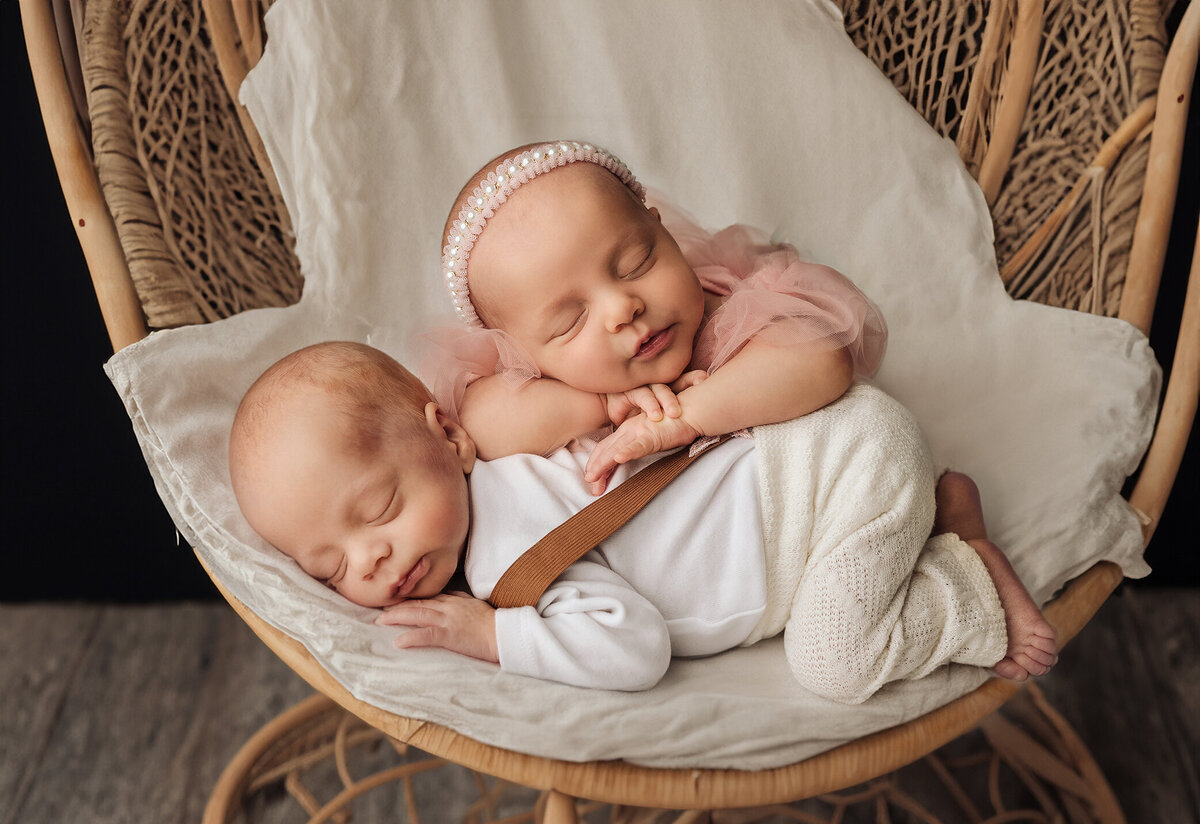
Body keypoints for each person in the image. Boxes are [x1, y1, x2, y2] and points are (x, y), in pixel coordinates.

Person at [228, 341, 1058, 703]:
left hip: (833, 474)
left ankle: (967, 574)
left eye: (377, 511)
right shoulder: (518, 470)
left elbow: (636, 648)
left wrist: (495, 637)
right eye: (329, 569)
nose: (370, 564)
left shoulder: (500, 556)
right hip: (822, 454)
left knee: (833, 665)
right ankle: (934, 514)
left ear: (447, 435)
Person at [427, 140, 887, 494]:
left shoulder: (729, 309)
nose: (623, 308)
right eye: (569, 322)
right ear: (519, 352)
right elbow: (478, 428)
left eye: (636, 264)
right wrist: (603, 405)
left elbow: (824, 355)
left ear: (660, 228)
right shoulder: (541, 385)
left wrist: (683, 417)